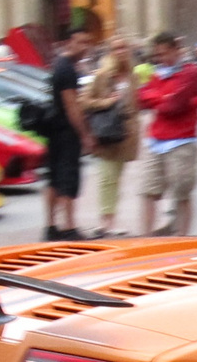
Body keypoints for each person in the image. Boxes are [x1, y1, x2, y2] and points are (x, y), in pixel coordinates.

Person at [137, 31, 197, 236]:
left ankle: (182, 236)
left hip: (182, 140)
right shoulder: (157, 74)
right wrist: (162, 98)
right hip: (157, 139)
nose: (161, 59)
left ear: (176, 50)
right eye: (157, 55)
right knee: (148, 190)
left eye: (164, 54)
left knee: (182, 192)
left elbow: (173, 105)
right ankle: (145, 236)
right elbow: (141, 98)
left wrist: (157, 99)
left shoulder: (190, 73)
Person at [81, 37, 141, 235]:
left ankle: (110, 218)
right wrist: (107, 102)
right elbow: (85, 101)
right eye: (116, 48)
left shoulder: (132, 76)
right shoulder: (103, 75)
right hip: (107, 132)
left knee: (116, 178)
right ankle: (107, 221)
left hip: (125, 133)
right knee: (107, 178)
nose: (121, 51)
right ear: (110, 52)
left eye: (124, 47)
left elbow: (135, 104)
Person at [43, 29, 94, 240]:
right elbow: (72, 106)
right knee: (67, 179)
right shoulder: (67, 70)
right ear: (69, 42)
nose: (85, 48)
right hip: (66, 133)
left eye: (87, 43)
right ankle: (69, 228)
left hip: (55, 131)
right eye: (81, 42)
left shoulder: (59, 65)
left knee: (54, 179)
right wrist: (85, 135)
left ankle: (51, 226)